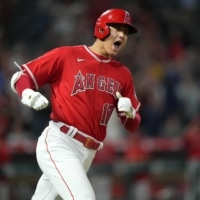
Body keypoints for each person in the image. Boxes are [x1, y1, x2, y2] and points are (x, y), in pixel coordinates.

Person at [10, 8, 141, 200]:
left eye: (126, 32)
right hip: (60, 142)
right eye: (118, 28)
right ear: (102, 29)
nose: (122, 34)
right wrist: (29, 94)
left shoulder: (123, 74)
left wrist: (130, 113)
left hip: (88, 153)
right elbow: (22, 76)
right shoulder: (67, 55)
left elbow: (133, 124)